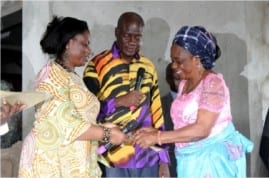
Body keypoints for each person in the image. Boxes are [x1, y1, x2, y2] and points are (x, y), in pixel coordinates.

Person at [134, 25, 254, 178]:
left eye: (179, 61)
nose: (174, 66)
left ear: (196, 60)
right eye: (172, 60)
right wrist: (155, 132)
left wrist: (158, 137)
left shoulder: (213, 83)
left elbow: (202, 129)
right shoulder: (185, 83)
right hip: (189, 160)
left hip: (211, 163)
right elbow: (182, 123)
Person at [18, 16, 127, 178]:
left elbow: (80, 117)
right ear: (69, 43)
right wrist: (106, 134)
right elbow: (66, 124)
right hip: (51, 164)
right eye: (85, 44)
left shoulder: (72, 76)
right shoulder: (51, 76)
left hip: (72, 161)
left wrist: (104, 127)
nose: (89, 51)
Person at [83, 11, 169, 177]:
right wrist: (117, 102)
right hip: (112, 155)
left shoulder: (148, 66)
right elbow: (87, 110)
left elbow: (157, 112)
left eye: (137, 37)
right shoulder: (97, 65)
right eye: (127, 36)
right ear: (117, 32)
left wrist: (163, 159)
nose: (132, 42)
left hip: (146, 154)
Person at [161, 63, 180, 177]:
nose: (182, 82)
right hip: (170, 162)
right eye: (177, 78)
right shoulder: (160, 104)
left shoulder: (198, 102)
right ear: (169, 80)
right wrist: (163, 163)